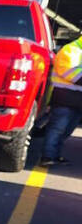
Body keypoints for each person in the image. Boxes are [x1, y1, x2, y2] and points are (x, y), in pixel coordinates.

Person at [41, 35, 82, 166]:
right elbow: (69, 73)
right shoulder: (71, 50)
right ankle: (47, 157)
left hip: (76, 100)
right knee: (57, 128)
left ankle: (55, 155)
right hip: (65, 97)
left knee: (67, 130)